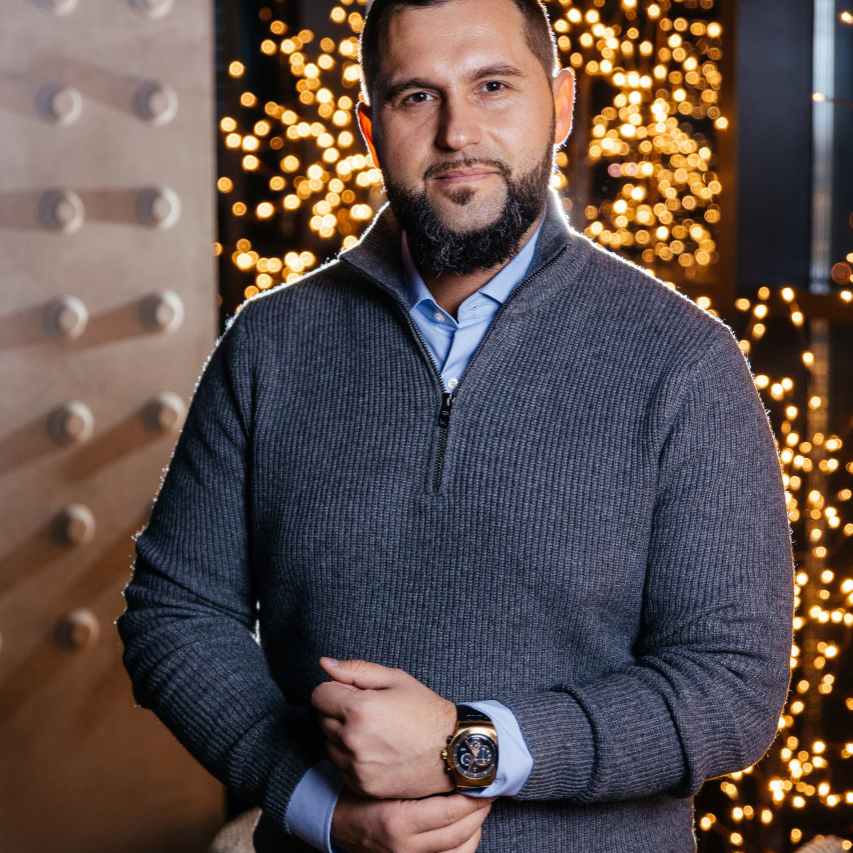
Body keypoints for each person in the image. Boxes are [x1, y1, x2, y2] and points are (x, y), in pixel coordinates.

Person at [117, 0, 795, 851]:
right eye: (416, 96)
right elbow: (174, 613)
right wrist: (318, 805)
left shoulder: (684, 361)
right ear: (370, 128)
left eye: (493, 86)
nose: (456, 133)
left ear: (561, 105)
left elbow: (729, 688)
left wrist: (468, 746)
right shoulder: (270, 342)